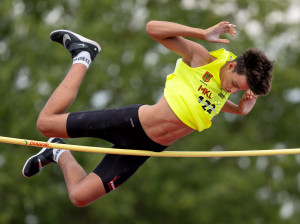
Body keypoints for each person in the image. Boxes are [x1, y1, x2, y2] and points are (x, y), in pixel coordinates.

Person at [22, 21, 273, 207]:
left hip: (143, 150)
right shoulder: (202, 59)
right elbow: (152, 28)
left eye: (239, 91)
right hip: (131, 124)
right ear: (231, 66)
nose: (233, 91)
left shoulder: (222, 92)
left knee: (79, 197)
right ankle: (83, 54)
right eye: (236, 85)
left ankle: (57, 151)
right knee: (45, 123)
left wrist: (240, 109)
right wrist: (201, 34)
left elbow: (213, 105)